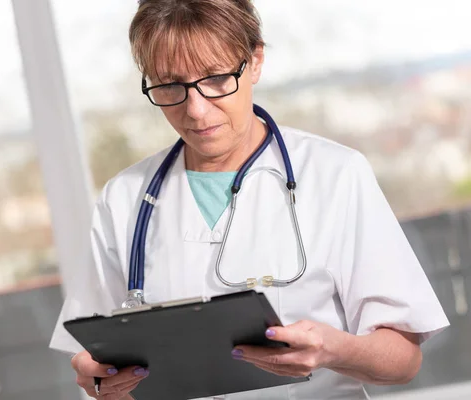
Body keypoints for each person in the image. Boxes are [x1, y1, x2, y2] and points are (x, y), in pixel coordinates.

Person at [49, 0, 450, 399]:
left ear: (255, 60)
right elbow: (93, 365)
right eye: (170, 85)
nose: (197, 109)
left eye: (217, 78)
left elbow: (403, 361)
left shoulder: (336, 174)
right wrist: (103, 385)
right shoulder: (124, 200)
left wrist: (333, 349)